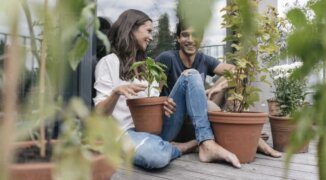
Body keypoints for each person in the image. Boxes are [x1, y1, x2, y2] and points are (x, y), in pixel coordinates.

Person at [93, 9, 241, 170]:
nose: (151, 37)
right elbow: (100, 114)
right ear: (131, 28)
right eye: (148, 31)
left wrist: (165, 103)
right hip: (126, 132)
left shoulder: (147, 66)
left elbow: (155, 100)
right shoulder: (108, 63)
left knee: (191, 74)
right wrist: (116, 92)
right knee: (156, 155)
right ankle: (184, 146)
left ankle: (206, 143)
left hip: (158, 129)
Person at [155, 21, 282, 158]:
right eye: (185, 35)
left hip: (196, 121)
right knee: (193, 77)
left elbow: (236, 71)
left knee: (229, 82)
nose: (190, 40)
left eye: (195, 35)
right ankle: (249, 138)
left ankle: (199, 142)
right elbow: (153, 94)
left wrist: (218, 86)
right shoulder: (167, 58)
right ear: (178, 38)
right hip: (174, 123)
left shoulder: (203, 59)